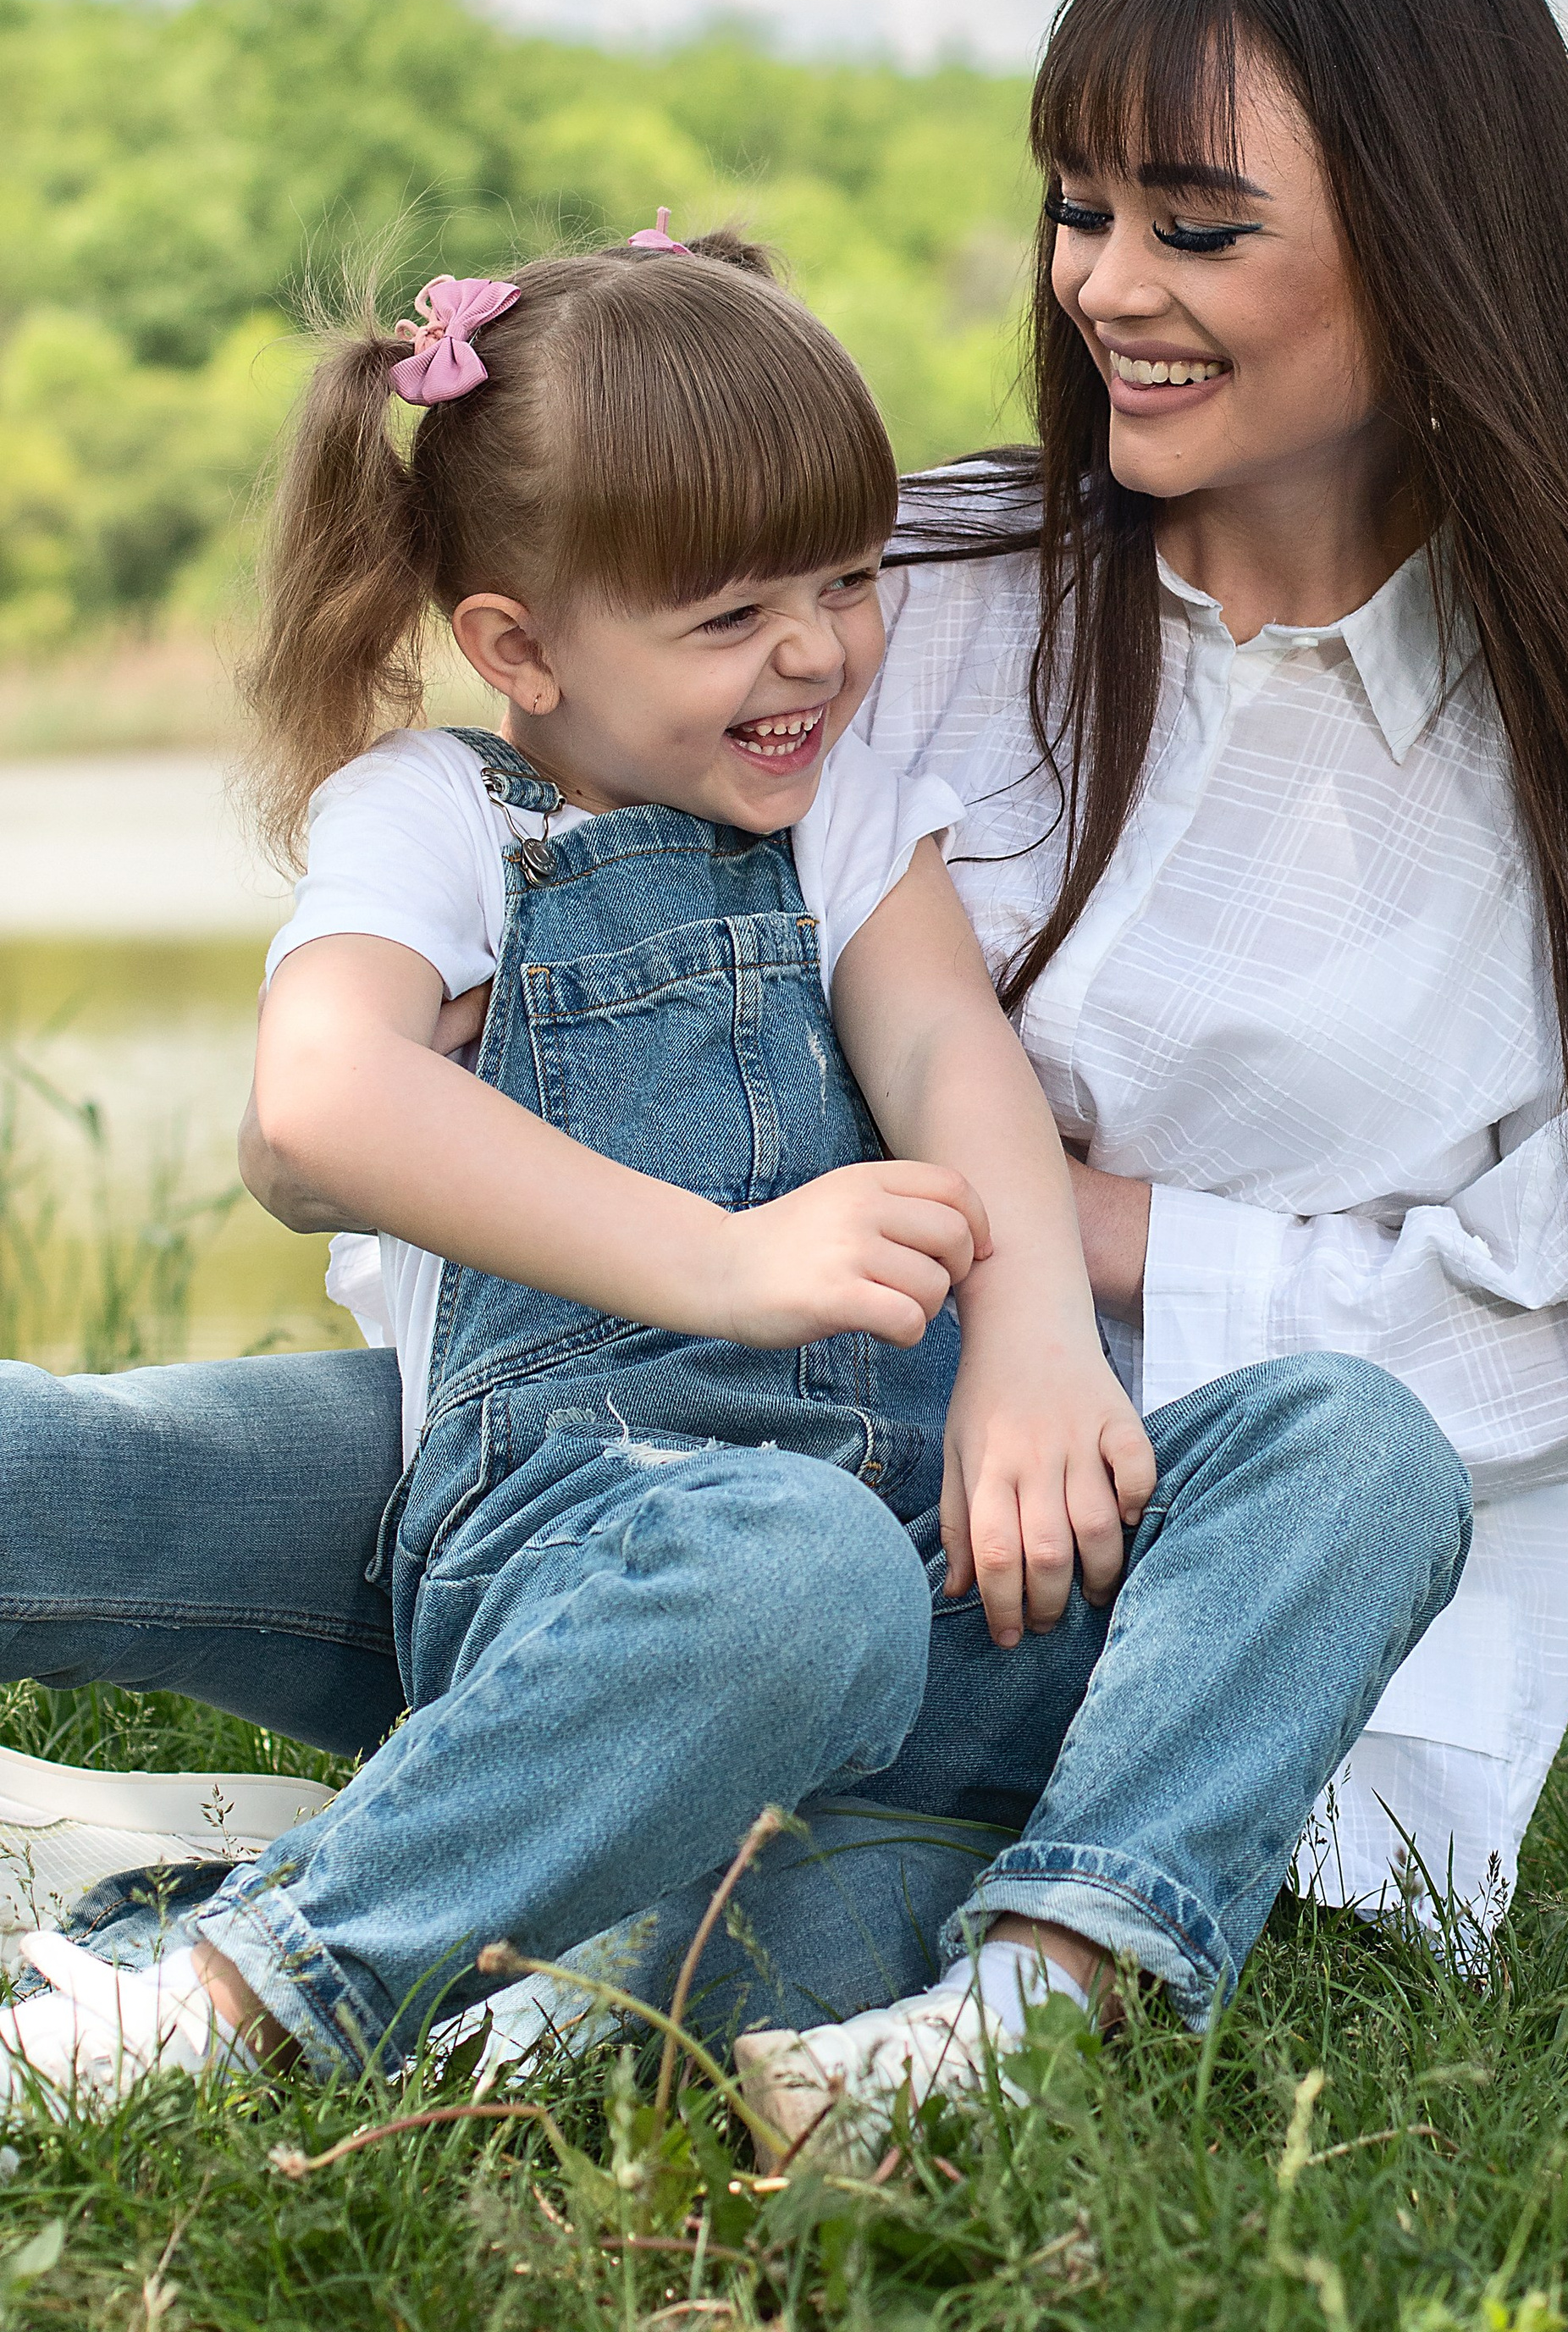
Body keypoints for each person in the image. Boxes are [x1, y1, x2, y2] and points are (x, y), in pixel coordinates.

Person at [0, 0, 1568, 2105]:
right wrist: (616, 1185)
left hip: (1116, 1614)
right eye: (1079, 208)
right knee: (109, 1468)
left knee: (695, 1954)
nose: (1107, 284)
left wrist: (1049, 1296)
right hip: (645, 1481)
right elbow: (484, 1020)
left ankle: (220, 1935)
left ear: (1438, 236)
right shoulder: (908, 579)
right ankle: (391, 1825)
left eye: (1197, 223)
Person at [0, 224, 1471, 2141]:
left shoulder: (845, 810)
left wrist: (1034, 1342)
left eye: (847, 581)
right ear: (517, 644)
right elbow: (315, 1110)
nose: (816, 654)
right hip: (615, 1565)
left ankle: (1038, 1992)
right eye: (722, 617)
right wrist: (723, 1261)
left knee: (1357, 1445)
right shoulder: (441, 820)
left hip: (958, 1594)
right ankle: (245, 1989)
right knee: (783, 1613)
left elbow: (953, 1053)